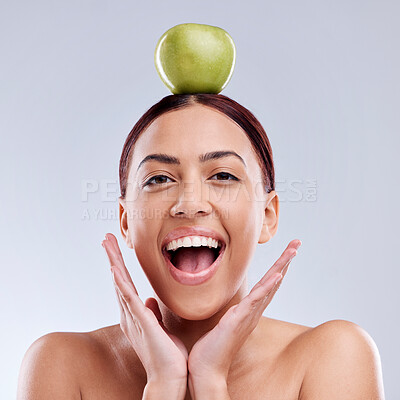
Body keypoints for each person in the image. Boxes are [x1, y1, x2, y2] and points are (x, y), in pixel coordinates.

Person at [17, 94, 385, 399]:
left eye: (223, 175)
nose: (189, 203)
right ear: (125, 221)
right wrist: (163, 386)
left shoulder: (335, 358)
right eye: (159, 178)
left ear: (268, 214)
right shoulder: (60, 365)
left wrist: (209, 382)